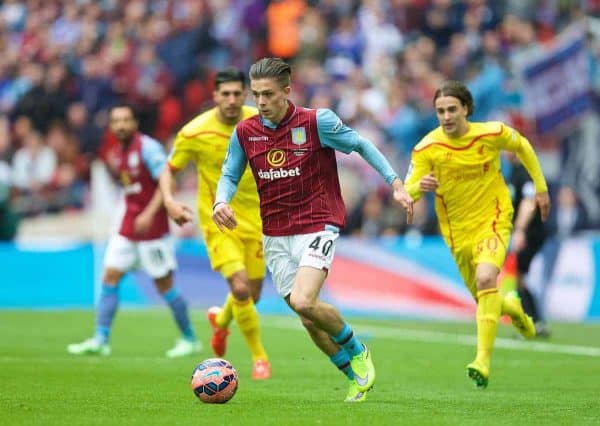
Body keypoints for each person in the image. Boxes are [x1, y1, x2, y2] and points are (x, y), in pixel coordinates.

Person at [212, 57, 414, 402]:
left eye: (268, 94)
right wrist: (221, 201)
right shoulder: (245, 132)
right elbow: (230, 173)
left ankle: (358, 350)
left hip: (318, 222)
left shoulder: (316, 121)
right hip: (275, 232)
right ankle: (353, 378)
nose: (260, 102)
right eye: (256, 94)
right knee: (307, 317)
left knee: (305, 300)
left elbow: (362, 145)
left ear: (287, 92)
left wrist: (395, 182)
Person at [404, 81, 550, 389]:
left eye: (452, 109)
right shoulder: (427, 148)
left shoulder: (491, 133)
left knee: (486, 279)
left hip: (494, 218)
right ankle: (512, 307)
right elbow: (406, 193)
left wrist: (540, 187)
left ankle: (482, 360)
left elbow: (521, 144)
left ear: (466, 109)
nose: (446, 116)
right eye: (440, 111)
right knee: (485, 297)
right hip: (457, 233)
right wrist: (419, 188)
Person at [159, 68, 271, 380]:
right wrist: (169, 201)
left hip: (260, 220)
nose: (232, 100)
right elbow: (169, 169)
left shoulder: (261, 121)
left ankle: (221, 322)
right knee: (239, 286)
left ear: (245, 95)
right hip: (219, 220)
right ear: (215, 97)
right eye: (226, 94)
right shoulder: (194, 133)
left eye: (238, 93)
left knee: (253, 294)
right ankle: (259, 358)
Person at [68, 103, 201, 358]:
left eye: (126, 120)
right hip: (128, 227)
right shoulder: (117, 152)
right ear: (111, 126)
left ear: (134, 124)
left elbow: (166, 179)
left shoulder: (148, 148)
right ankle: (100, 339)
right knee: (109, 277)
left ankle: (189, 338)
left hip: (153, 230)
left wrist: (150, 213)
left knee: (165, 286)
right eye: (116, 121)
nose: (121, 125)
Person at [506, 152, 550, 337]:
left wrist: (520, 230)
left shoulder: (524, 172)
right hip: (527, 233)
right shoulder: (514, 172)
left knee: (519, 278)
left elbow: (529, 202)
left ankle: (530, 322)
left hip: (531, 233)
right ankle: (535, 322)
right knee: (520, 278)